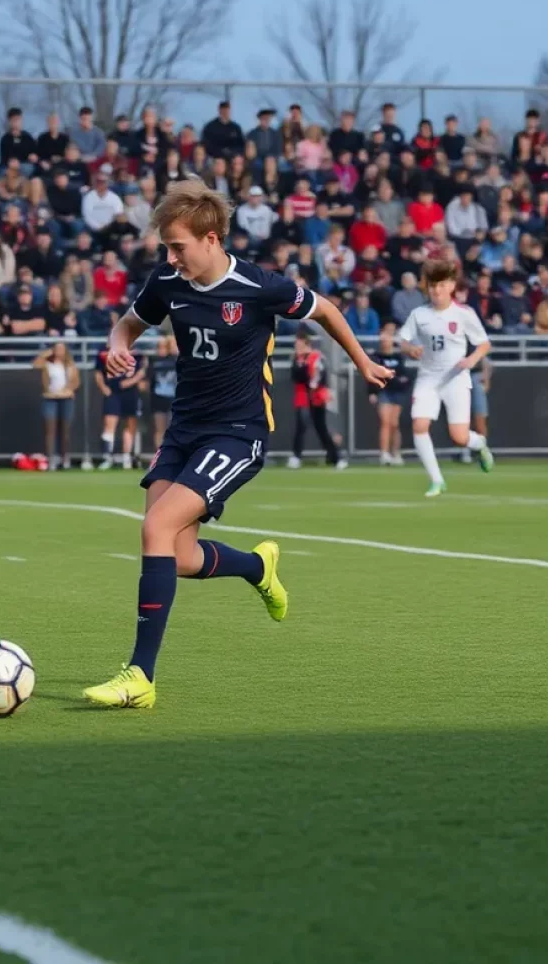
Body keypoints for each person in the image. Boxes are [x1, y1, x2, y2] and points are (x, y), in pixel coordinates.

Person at [83, 179, 392, 709]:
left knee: (154, 527)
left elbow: (326, 311)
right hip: (184, 431)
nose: (171, 256)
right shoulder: (167, 281)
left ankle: (140, 676)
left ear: (210, 238)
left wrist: (362, 362)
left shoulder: (259, 286)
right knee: (173, 552)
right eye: (166, 248)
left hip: (238, 433)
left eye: (178, 246)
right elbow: (129, 324)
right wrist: (116, 347)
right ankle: (257, 567)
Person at [398, 260, 494, 497]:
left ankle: (479, 444)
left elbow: (484, 344)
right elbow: (403, 341)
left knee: (459, 437)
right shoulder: (419, 314)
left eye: (441, 285)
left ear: (451, 286)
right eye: (432, 286)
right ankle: (437, 480)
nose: (436, 291)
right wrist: (411, 350)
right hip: (428, 378)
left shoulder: (464, 314)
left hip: (456, 379)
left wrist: (471, 360)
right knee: (419, 425)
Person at [288, 328, 345, 470]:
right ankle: (296, 456)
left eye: (299, 344)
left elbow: (319, 376)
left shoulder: (316, 357)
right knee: (301, 427)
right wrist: (303, 369)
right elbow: (296, 376)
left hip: (316, 397)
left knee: (321, 428)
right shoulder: (297, 359)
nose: (297, 347)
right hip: (302, 397)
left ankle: (335, 457)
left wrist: (308, 376)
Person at [95, 342, 146, 470]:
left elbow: (142, 372)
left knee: (130, 425)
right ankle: (107, 457)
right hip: (113, 391)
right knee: (109, 424)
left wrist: (130, 382)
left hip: (130, 393)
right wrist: (103, 387)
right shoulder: (105, 352)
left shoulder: (138, 354)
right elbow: (98, 372)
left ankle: (126, 458)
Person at [368, 321, 411, 466]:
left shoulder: (398, 357)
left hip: (397, 393)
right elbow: (374, 375)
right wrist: (372, 392)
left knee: (394, 423)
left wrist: (395, 380)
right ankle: (384, 453)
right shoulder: (376, 356)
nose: (387, 338)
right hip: (384, 392)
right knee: (385, 423)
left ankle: (396, 453)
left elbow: (404, 378)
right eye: (385, 334)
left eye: (390, 335)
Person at [34, 342, 80, 470]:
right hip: (50, 398)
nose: (59, 351)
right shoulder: (47, 365)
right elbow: (35, 364)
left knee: (65, 431)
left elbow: (76, 382)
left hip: (66, 399)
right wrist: (46, 353)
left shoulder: (70, 365)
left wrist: (69, 390)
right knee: (50, 431)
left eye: (62, 349)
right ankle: (51, 460)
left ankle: (64, 459)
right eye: (57, 348)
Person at [149, 334, 178, 452]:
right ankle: (158, 454)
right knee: (159, 429)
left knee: (173, 428)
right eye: (159, 347)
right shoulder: (154, 361)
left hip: (174, 399)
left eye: (164, 346)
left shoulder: (176, 360)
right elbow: (150, 381)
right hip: (158, 398)